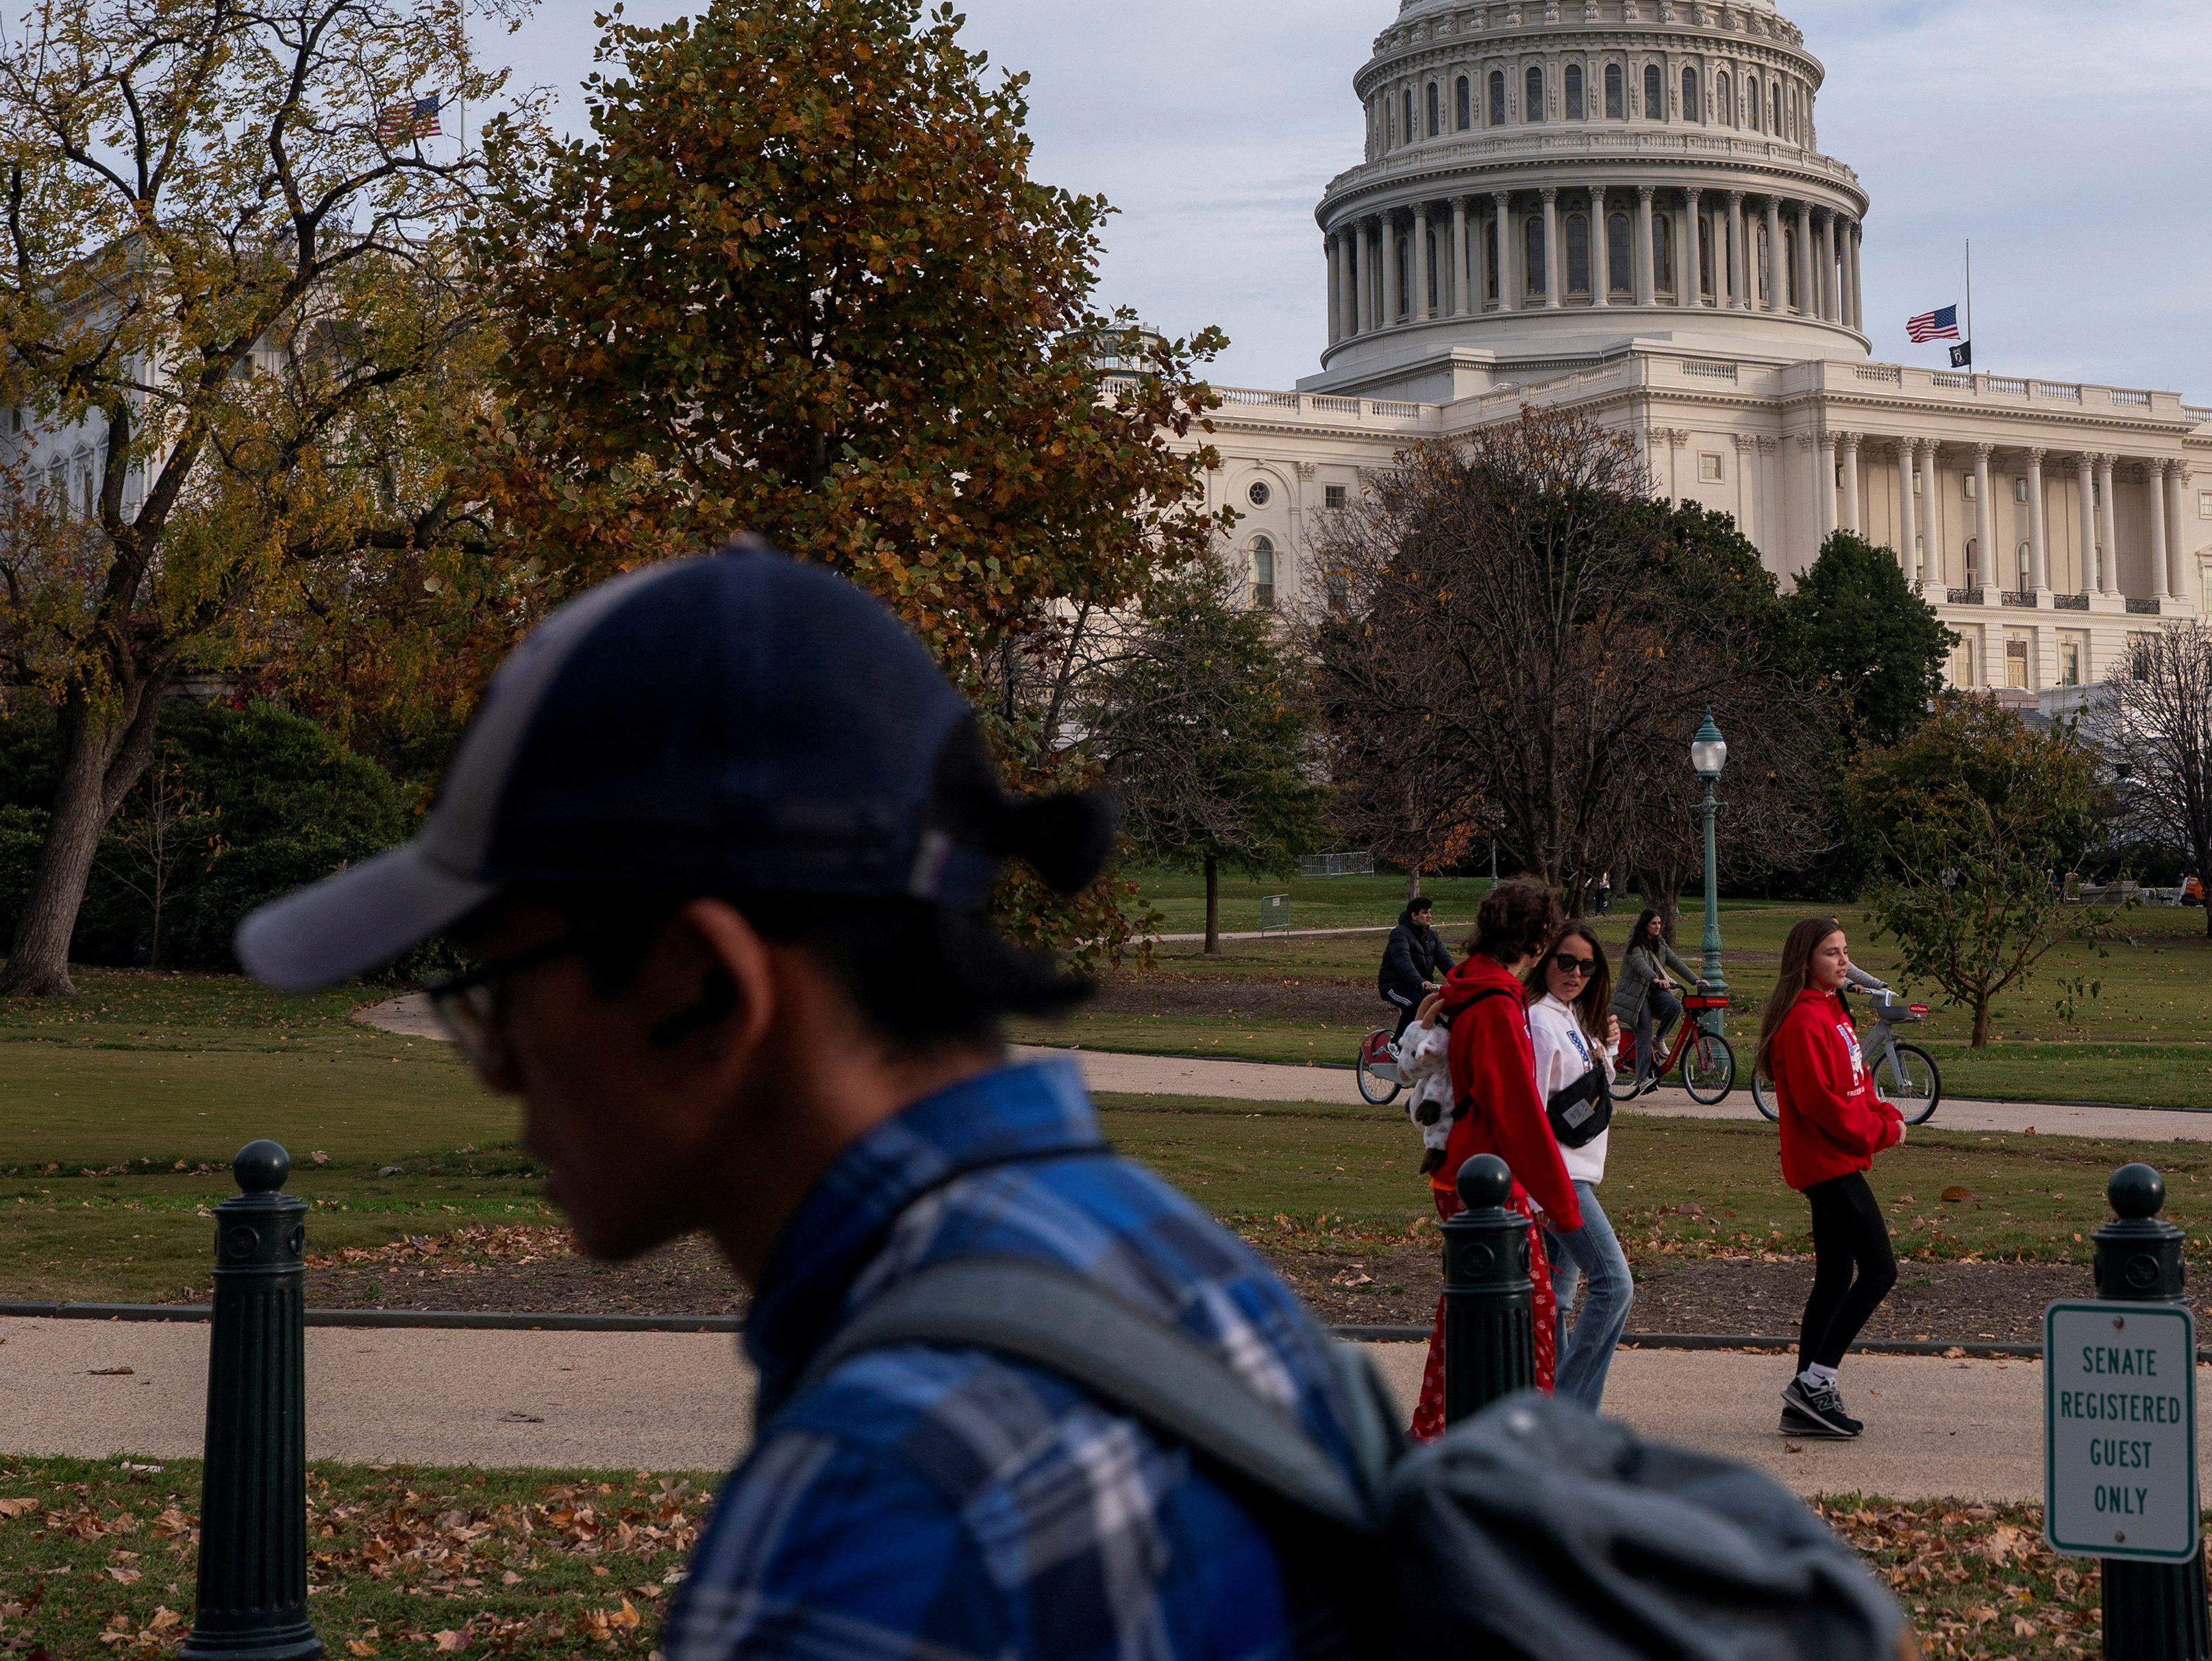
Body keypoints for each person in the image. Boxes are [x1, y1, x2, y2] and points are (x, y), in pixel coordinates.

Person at [228, 541, 1369, 1658]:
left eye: (495, 989)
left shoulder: (872, 1507)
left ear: (704, 985)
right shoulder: (1213, 1288)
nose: (493, 1067)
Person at [1408, 875, 1580, 1437]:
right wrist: (1561, 1203)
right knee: (1526, 1320)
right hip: (1485, 1180)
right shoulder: (1498, 1007)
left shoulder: (1470, 987)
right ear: (1536, 944)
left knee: (1467, 1313)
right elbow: (1518, 1112)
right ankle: (1516, 1437)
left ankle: (1440, 1427)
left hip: (1457, 1171)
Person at [1759, 914, 1906, 1441]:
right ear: (1805, 960)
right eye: (1831, 953)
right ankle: (1816, 1381)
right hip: (1827, 1166)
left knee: (1834, 1276)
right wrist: (1882, 1132)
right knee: (1880, 1269)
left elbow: (1857, 1082)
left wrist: (1883, 1114)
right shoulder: (1801, 1022)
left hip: (1840, 1160)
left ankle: (1804, 1400)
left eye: (1845, 951)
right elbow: (1824, 1106)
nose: (1844, 961)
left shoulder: (1833, 1010)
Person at [1526, 916, 1632, 1410]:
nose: (1575, 973)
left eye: (1586, 966)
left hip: (1577, 1172)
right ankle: (1568, 1416)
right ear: (1546, 960)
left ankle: (1554, 1410)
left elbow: (1587, 1090)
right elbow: (1534, 1104)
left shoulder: (1570, 1016)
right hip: (1561, 1179)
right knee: (1614, 1284)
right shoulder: (1542, 1019)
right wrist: (1536, 1190)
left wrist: (1605, 1045)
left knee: (1557, 1303)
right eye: (1565, 961)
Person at [1611, 903, 1700, 1068]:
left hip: (1652, 991)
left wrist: (1695, 980)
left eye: (1659, 923)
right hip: (1636, 995)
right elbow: (1639, 964)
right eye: (1654, 923)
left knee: (1675, 1006)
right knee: (1644, 1031)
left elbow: (1674, 961)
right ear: (1645, 925)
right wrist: (1655, 979)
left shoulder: (1659, 942)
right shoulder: (1635, 945)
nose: (1657, 927)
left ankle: (1659, 1040)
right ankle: (1643, 1077)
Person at [1378, 891, 1450, 1026]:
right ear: (1414, 915)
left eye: (1429, 912)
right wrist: (1419, 980)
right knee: (1415, 1005)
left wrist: (1459, 980)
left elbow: (1445, 960)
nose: (1429, 916)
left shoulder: (1432, 936)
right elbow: (1403, 960)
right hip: (1395, 985)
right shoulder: (1400, 934)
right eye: (1425, 913)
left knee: (1437, 1020)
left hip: (1419, 987)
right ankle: (1396, 1044)